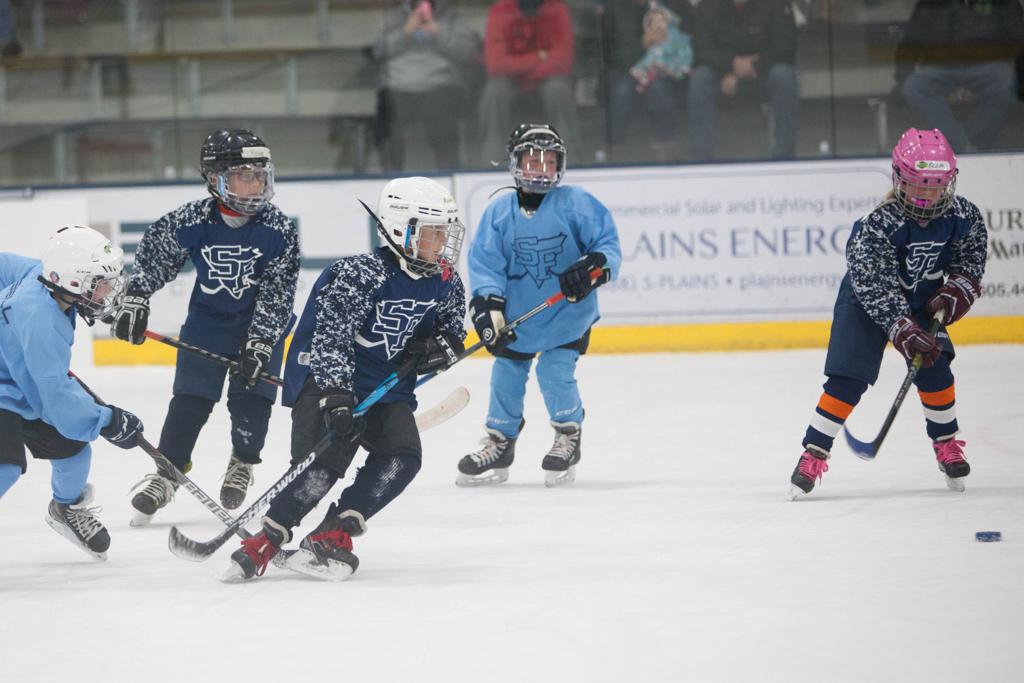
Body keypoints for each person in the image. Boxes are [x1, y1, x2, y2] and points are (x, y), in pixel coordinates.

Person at [224, 176, 467, 582]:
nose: (439, 243)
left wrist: (442, 348)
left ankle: (334, 532)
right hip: (326, 380)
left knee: (403, 458)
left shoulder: (445, 281)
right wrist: (337, 395)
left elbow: (451, 330)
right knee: (323, 467)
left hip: (389, 390)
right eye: (430, 233)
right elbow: (330, 336)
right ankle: (268, 537)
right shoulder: (360, 273)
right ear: (398, 230)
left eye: (443, 233)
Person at [110, 129, 299, 524]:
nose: (257, 184)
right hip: (207, 326)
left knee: (251, 405)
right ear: (216, 179)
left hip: (260, 330)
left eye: (261, 175)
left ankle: (243, 462)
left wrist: (262, 341)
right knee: (189, 402)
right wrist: (136, 296)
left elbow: (279, 293)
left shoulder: (279, 229)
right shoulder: (193, 220)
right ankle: (168, 472)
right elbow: (154, 255)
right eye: (246, 175)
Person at [788, 128, 987, 500]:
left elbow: (970, 262)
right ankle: (813, 452)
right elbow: (873, 286)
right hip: (866, 304)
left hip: (923, 301)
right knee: (848, 380)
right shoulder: (878, 225)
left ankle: (946, 443)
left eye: (936, 186)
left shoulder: (965, 216)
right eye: (918, 185)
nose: (928, 195)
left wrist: (956, 291)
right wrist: (901, 327)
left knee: (935, 366)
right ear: (899, 179)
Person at [456, 123, 622, 488]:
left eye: (549, 161)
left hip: (567, 314)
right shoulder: (499, 212)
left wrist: (592, 268)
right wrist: (488, 305)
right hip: (518, 319)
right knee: (505, 373)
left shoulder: (577, 203)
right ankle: (500, 442)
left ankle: (568, 433)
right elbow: (485, 264)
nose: (540, 168)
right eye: (532, 159)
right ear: (515, 163)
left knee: (554, 370)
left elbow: (608, 247)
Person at [0, 226, 144, 559]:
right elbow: (58, 402)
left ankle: (65, 509)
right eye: (101, 284)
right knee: (5, 467)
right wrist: (109, 421)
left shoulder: (44, 275)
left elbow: (3, 265)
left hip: (25, 380)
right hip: (14, 387)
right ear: (74, 281)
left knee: (74, 454)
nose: (108, 291)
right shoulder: (41, 322)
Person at [895, 0, 1024, 152]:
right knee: (914, 86)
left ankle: (962, 145)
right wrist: (901, 80)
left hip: (988, 67)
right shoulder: (930, 3)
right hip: (939, 68)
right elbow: (911, 41)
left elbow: (1019, 39)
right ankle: (961, 146)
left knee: (1010, 84)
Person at [373, 0, 480, 171]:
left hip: (441, 83)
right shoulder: (393, 18)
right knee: (387, 114)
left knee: (441, 112)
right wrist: (405, 33)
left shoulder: (452, 18)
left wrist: (438, 33)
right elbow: (377, 51)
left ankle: (449, 172)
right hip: (398, 86)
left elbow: (468, 53)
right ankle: (390, 175)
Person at [688, 0, 799, 160]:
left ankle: (784, 157)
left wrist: (753, 66)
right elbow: (700, 49)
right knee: (700, 78)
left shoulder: (776, 4)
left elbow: (786, 46)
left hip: (762, 73)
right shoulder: (708, 5)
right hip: (722, 75)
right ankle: (702, 158)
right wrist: (731, 63)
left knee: (785, 76)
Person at [478, 0, 581, 165]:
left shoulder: (557, 9)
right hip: (510, 80)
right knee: (495, 92)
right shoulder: (500, 10)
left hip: (547, 78)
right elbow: (495, 64)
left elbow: (563, 60)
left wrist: (519, 67)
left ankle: (570, 161)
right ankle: (490, 163)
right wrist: (538, 58)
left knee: (559, 90)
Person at [598, 0, 693, 162]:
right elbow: (612, 54)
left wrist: (668, 59)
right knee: (623, 90)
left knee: (659, 89)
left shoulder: (673, 5)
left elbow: (687, 41)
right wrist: (645, 45)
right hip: (628, 70)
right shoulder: (615, 8)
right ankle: (615, 147)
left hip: (668, 71)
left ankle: (666, 145)